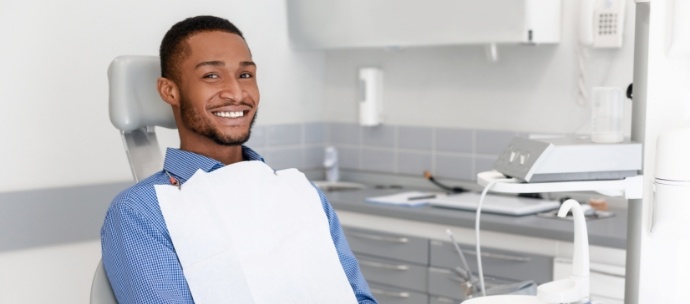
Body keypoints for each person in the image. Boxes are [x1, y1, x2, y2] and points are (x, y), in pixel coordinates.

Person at [101, 15, 377, 303]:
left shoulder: (300, 194)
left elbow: (357, 297)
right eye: (211, 75)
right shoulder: (141, 212)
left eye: (245, 75)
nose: (236, 92)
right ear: (169, 91)